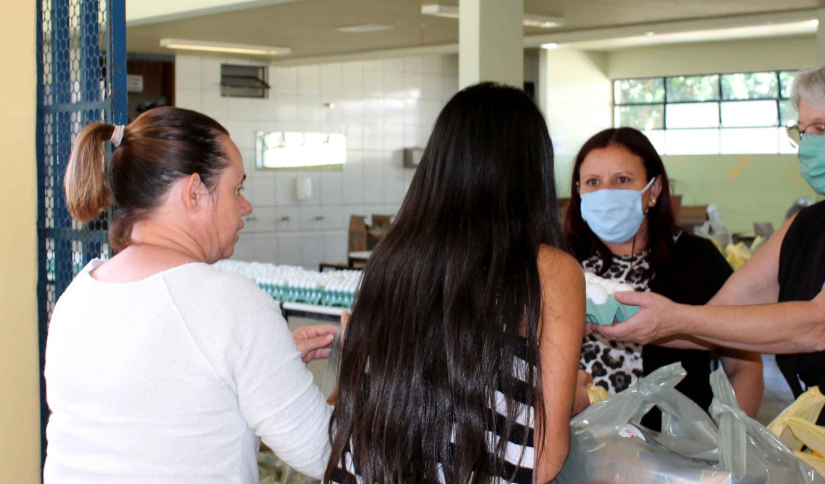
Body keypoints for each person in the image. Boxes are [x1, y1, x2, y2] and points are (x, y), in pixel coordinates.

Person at [598, 59, 825, 452]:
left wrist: (674, 317)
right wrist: (610, 316)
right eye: (803, 130)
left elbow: (822, 326)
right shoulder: (808, 227)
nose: (809, 144)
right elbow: (719, 318)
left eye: (822, 128)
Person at [45, 107, 336, 482]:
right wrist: (360, 379)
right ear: (195, 193)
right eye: (236, 190)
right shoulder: (230, 304)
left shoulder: (77, 297)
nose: (246, 207)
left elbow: (156, 400)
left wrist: (267, 361)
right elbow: (329, 456)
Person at [325, 83, 588, 484]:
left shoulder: (391, 261)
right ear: (533, 171)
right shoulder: (549, 271)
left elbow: (358, 411)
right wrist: (569, 401)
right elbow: (543, 458)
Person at [564, 128, 763, 425]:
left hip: (676, 445)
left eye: (622, 180)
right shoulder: (559, 259)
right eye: (593, 182)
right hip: (574, 441)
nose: (606, 193)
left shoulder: (697, 258)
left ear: (654, 189)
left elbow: (744, 366)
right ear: (579, 190)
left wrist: (727, 441)